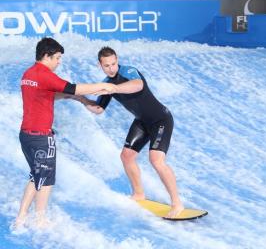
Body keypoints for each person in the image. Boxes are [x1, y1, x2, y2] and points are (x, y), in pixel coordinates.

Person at [15, 37, 114, 229]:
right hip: (42, 137)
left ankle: (21, 217)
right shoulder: (45, 74)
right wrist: (102, 86)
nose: (59, 62)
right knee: (46, 180)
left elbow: (48, 95)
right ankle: (40, 219)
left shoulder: (29, 73)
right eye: (58, 58)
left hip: (26, 135)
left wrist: (78, 99)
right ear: (47, 56)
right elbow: (71, 87)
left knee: (35, 176)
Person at [80, 46, 184, 218]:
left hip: (161, 120)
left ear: (117, 60)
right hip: (142, 122)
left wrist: (113, 88)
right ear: (100, 65)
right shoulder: (108, 83)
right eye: (107, 66)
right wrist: (81, 99)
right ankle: (138, 194)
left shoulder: (129, 72)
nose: (111, 68)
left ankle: (177, 203)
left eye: (113, 63)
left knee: (156, 160)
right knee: (126, 156)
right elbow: (98, 109)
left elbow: (138, 85)